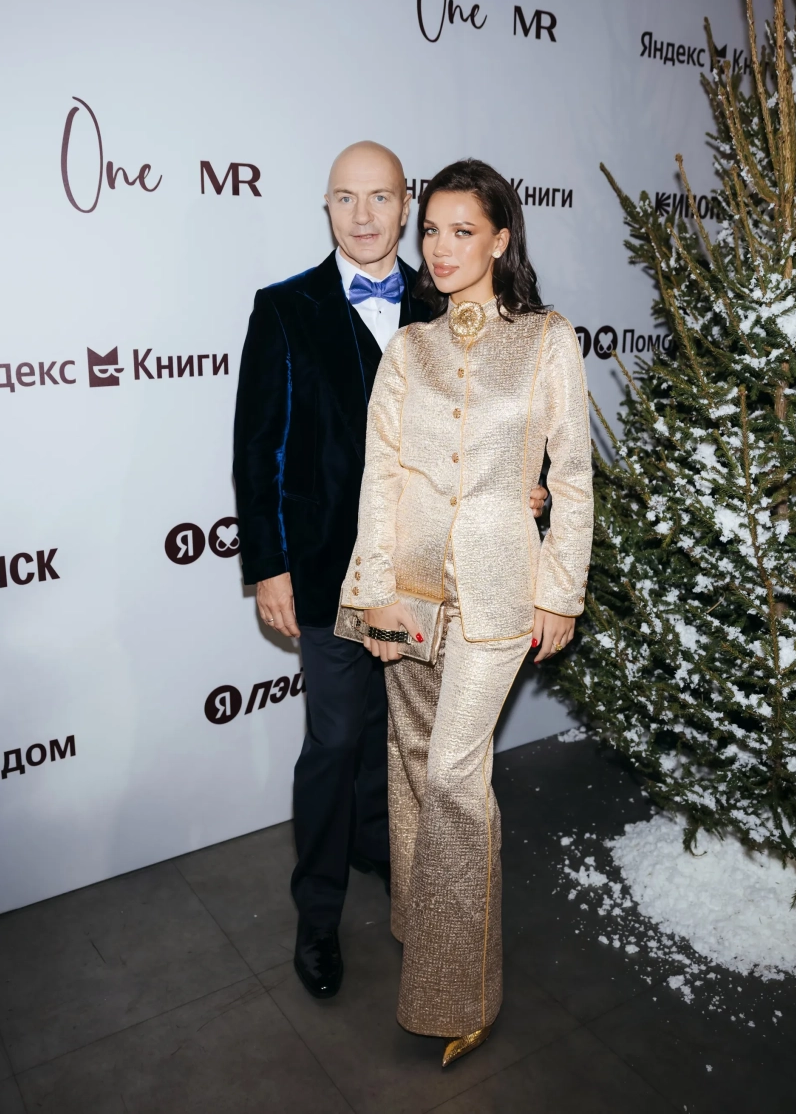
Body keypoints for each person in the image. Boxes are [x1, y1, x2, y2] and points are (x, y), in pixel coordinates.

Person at [234, 140, 551, 1000]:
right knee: (336, 740)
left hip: (437, 582)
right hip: (328, 573)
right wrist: (268, 566)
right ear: (327, 207)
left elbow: (511, 418)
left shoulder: (447, 292)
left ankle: (385, 855)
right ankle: (317, 912)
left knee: (408, 743)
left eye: (379, 197)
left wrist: (526, 489)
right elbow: (257, 449)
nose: (364, 214)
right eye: (345, 197)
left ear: (406, 206)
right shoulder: (283, 308)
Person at [340, 158, 593, 1065]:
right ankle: (425, 925)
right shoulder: (409, 349)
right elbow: (382, 477)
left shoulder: (548, 340)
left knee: (452, 774)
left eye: (462, 231)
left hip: (498, 592)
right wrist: (376, 592)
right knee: (411, 762)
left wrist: (559, 589)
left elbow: (571, 475)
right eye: (432, 232)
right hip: (408, 588)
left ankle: (463, 991)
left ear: (500, 238)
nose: (440, 249)